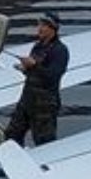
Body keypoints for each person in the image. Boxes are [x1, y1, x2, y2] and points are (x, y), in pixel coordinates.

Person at [5, 12, 69, 146]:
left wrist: (34, 65)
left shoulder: (60, 50)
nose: (39, 28)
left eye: (44, 25)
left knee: (44, 143)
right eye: (39, 24)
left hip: (44, 106)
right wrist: (25, 69)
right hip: (27, 100)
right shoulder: (37, 46)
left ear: (53, 29)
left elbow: (53, 76)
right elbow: (34, 72)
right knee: (11, 136)